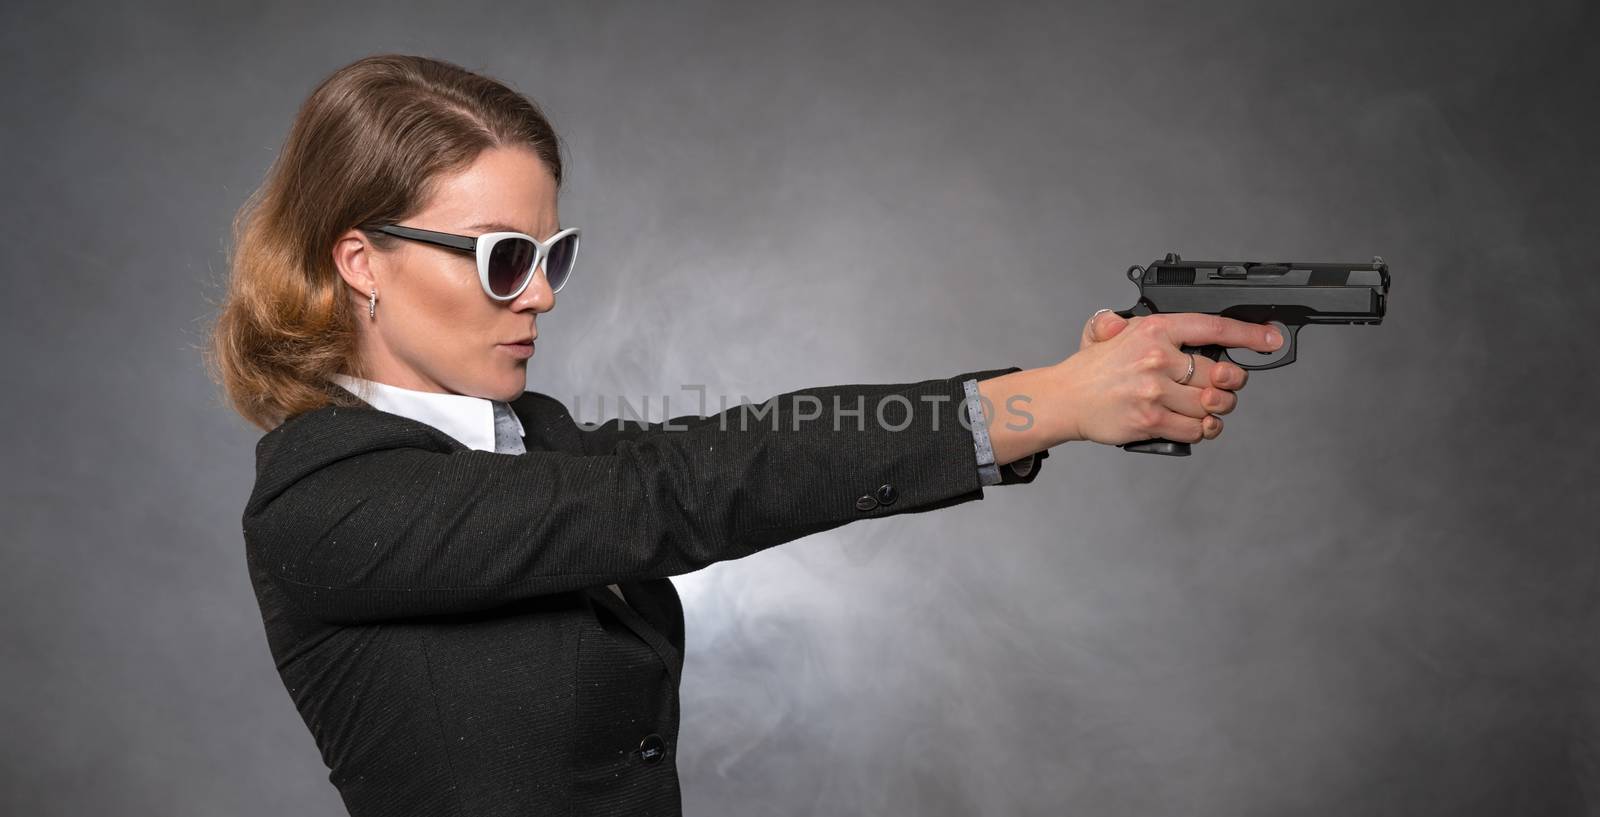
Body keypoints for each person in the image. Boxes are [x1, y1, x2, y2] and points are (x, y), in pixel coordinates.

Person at [204, 53, 1279, 817]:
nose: (538, 298)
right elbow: (682, 491)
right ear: (360, 262)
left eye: (552, 256)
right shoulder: (323, 505)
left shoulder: (536, 443)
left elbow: (751, 443)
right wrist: (1042, 402)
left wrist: (1054, 390)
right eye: (499, 260)